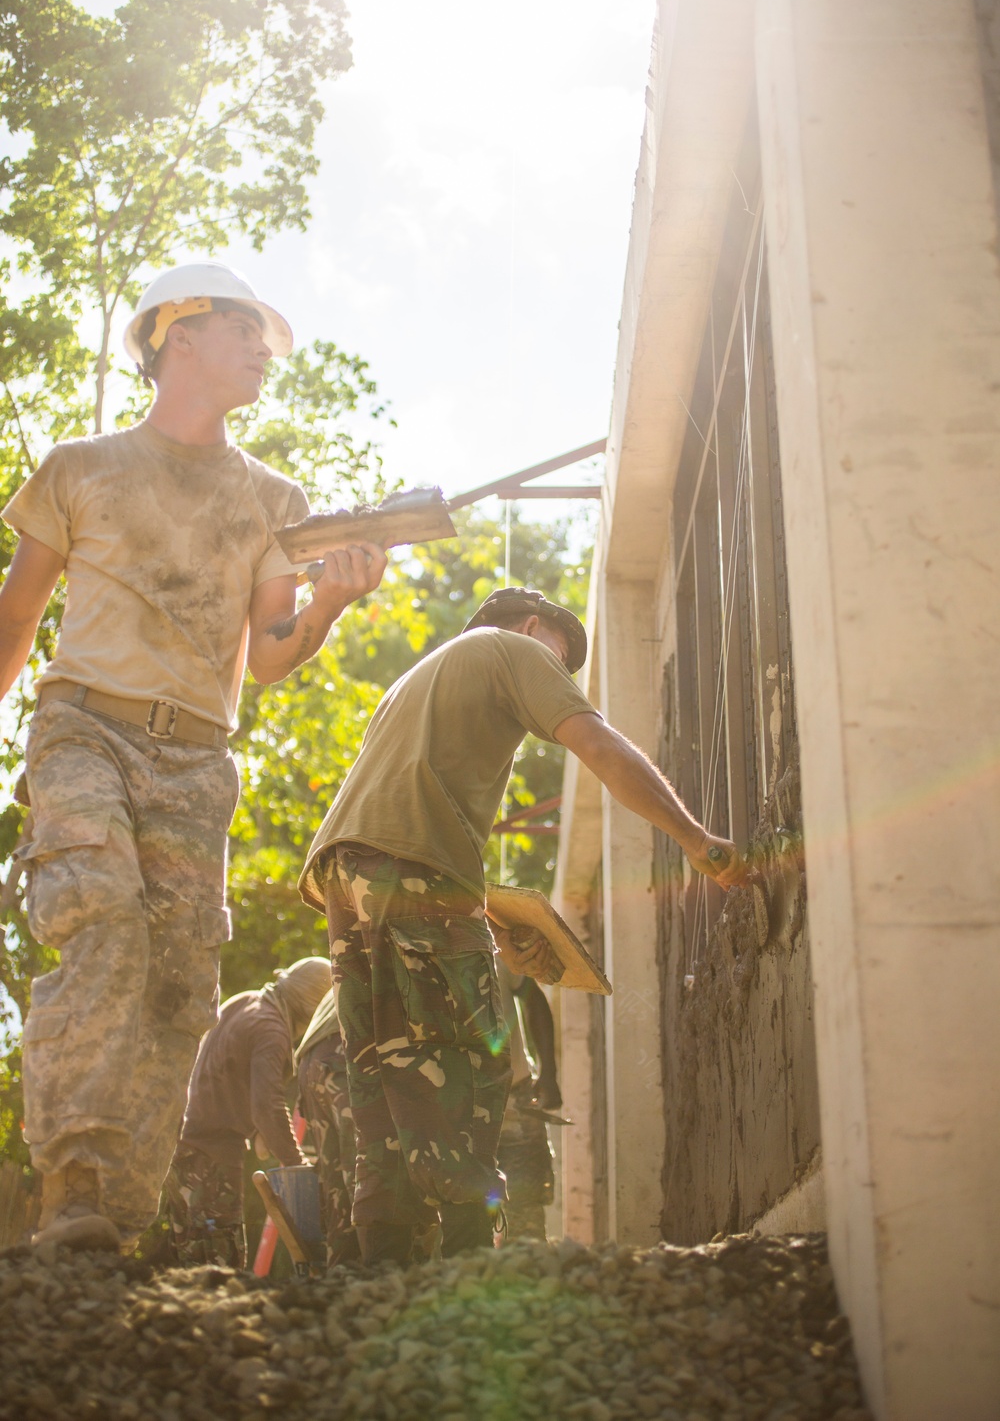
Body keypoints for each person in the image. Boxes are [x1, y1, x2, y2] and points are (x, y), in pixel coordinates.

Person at [0, 261, 387, 1253]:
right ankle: (74, 1180)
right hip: (84, 727)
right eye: (248, 330)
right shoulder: (79, 468)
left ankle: (113, 1227)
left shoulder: (273, 499)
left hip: (197, 760)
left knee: (179, 986)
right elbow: (17, 615)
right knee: (103, 925)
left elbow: (267, 660)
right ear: (179, 333)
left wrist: (332, 602)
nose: (265, 351)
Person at [297, 585, 746, 1268]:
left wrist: (489, 930)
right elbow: (596, 745)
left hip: (345, 879)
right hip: (413, 871)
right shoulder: (511, 649)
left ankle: (379, 1280)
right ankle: (470, 1270)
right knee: (476, 1064)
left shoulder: (417, 683)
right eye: (561, 661)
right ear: (536, 628)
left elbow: (402, 833)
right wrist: (694, 839)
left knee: (380, 1084)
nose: (559, 677)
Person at [163, 957, 332, 1268]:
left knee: (188, 1260)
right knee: (220, 1264)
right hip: (213, 1157)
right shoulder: (272, 1030)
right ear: (311, 1008)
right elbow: (267, 1105)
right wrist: (298, 1165)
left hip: (180, 1147)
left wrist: (257, 1132)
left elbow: (223, 1074)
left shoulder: (245, 1002)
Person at [294, 987, 360, 1267]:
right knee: (365, 1172)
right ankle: (375, 1276)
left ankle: (342, 1274)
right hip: (343, 1053)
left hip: (311, 1061)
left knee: (335, 1185)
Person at [495, 962, 560, 1241]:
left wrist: (548, 1073)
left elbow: (534, 999)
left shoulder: (493, 944)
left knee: (526, 1207)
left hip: (514, 1096)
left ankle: (525, 1273)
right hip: (454, 1105)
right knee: (462, 1208)